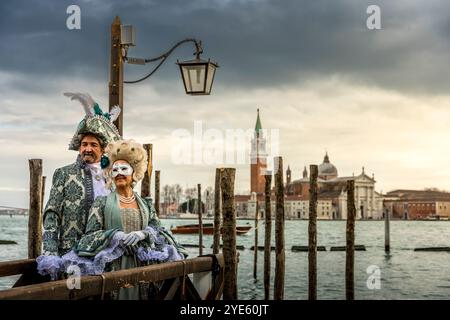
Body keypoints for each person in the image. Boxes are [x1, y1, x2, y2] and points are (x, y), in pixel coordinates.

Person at [59, 139, 187, 299]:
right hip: (113, 269)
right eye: (115, 169)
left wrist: (144, 234)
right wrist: (115, 236)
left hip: (142, 267)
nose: (119, 172)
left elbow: (158, 229)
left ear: (134, 173)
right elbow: (89, 236)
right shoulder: (101, 203)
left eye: (124, 168)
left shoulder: (145, 204)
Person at [39, 93, 121, 260]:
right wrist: (50, 254)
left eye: (93, 145)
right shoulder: (64, 173)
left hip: (106, 254)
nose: (87, 149)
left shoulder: (113, 178)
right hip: (71, 254)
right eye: (84, 144)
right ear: (79, 147)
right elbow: (51, 214)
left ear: (103, 148)